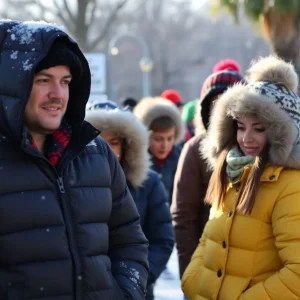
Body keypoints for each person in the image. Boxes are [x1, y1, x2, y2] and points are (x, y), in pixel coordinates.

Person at [0, 20, 148, 299]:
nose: (58, 94)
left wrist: (126, 293)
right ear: (12, 84)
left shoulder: (95, 152)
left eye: (65, 82)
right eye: (43, 80)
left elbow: (129, 238)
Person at [182, 55, 300, 299]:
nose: (246, 138)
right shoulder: (231, 172)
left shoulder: (291, 186)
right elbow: (209, 241)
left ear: (282, 133)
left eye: (259, 128)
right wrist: (192, 284)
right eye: (240, 126)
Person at [85, 100, 174, 299]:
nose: (106, 149)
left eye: (114, 142)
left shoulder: (148, 183)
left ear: (126, 146)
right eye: (99, 139)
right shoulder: (72, 183)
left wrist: (136, 279)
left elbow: (162, 239)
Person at [171, 68, 243, 280]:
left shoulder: (256, 148)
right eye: (215, 105)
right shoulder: (196, 149)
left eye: (229, 104)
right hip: (207, 267)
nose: (222, 112)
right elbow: (183, 216)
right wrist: (192, 272)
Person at [134, 97, 185, 205]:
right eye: (158, 139)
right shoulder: (136, 160)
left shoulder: (181, 157)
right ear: (146, 136)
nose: (164, 145)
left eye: (170, 138)